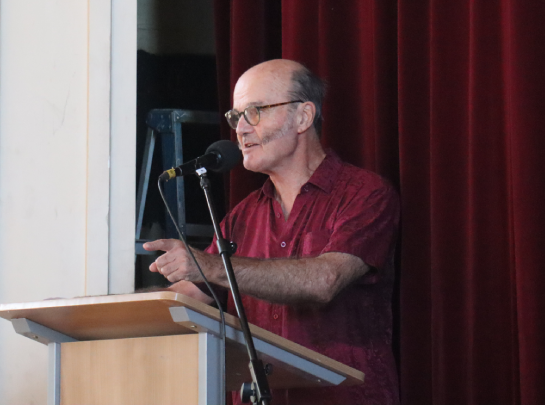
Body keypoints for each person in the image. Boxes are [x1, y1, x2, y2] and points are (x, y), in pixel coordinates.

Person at [143, 59, 400, 405]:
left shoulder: (365, 193)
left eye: (256, 111)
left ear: (303, 117)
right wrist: (89, 315)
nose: (241, 130)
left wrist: (211, 266)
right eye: (236, 117)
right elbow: (189, 294)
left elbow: (324, 281)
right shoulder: (243, 215)